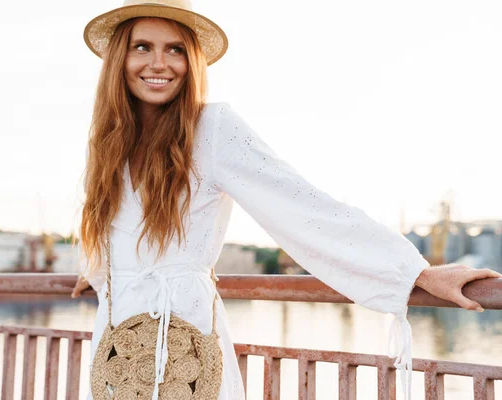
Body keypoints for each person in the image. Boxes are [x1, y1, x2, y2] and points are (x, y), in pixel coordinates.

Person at [71, 1, 502, 399]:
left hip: (185, 330)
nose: (158, 63)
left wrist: (414, 271)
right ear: (118, 60)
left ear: (192, 62)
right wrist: (101, 269)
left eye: (176, 49)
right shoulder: (106, 143)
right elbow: (114, 225)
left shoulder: (212, 127)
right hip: (116, 336)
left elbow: (302, 207)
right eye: (141, 47)